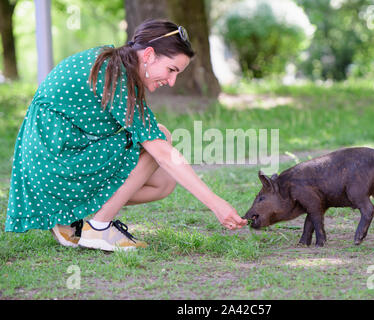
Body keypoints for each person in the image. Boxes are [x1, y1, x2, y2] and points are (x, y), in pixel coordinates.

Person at [5, 19, 247, 251]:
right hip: (51, 167)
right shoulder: (114, 73)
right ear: (149, 55)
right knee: (160, 138)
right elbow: (161, 152)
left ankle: (70, 219)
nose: (172, 81)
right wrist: (216, 204)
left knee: (162, 184)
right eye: (171, 70)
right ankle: (98, 228)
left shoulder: (115, 64)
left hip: (51, 165)